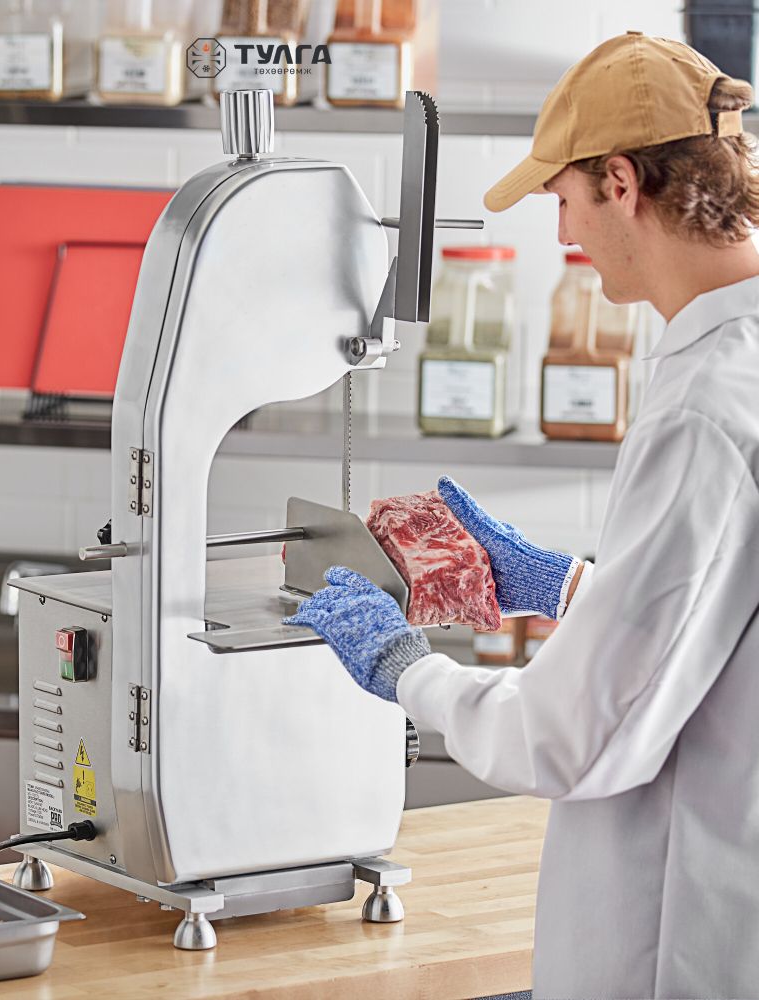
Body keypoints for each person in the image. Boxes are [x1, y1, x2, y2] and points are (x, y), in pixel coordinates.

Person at [286, 31, 759, 1000]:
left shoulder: (704, 410)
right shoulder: (731, 365)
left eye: (563, 198)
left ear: (620, 182)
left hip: (675, 933)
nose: (564, 234)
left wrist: (405, 667)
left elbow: (567, 739)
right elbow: (722, 626)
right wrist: (572, 586)